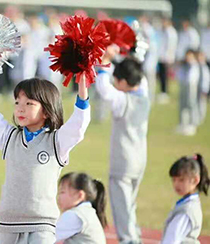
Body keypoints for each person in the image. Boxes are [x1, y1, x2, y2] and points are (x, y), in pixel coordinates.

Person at [0, 63, 90, 243]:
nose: (20, 108)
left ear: (47, 111)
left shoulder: (56, 141)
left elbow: (78, 125)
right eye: (17, 102)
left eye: (29, 103)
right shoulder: (9, 137)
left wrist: (82, 86)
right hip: (8, 223)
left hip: (42, 225)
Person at [95, 45, 150, 244]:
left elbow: (104, 88)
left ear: (124, 82)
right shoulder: (144, 95)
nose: (115, 84)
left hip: (123, 162)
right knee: (130, 204)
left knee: (121, 207)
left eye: (117, 81)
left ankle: (129, 240)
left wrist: (105, 62)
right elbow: (140, 75)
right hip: (140, 160)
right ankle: (134, 235)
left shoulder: (122, 100)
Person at [161, 154, 210, 244]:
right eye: (174, 180)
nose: (176, 184)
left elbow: (171, 239)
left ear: (195, 180)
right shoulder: (190, 204)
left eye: (181, 180)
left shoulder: (186, 211)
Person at [56, 172, 107, 244]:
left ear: (80, 195)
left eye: (62, 192)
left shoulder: (75, 215)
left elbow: (47, 237)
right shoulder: (86, 212)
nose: (58, 197)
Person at [176, 49, 200, 136]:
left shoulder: (194, 65)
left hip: (191, 86)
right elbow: (179, 75)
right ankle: (183, 124)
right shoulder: (184, 65)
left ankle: (192, 124)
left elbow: (193, 78)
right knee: (182, 105)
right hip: (184, 86)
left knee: (191, 104)